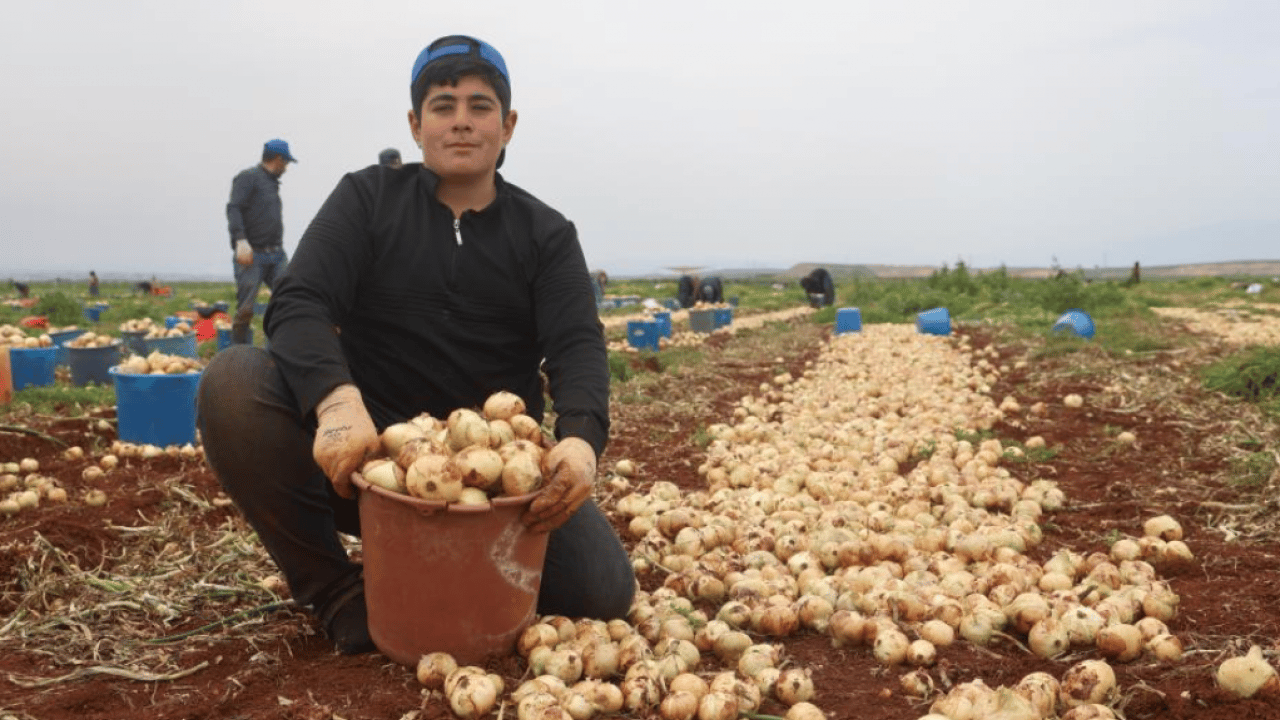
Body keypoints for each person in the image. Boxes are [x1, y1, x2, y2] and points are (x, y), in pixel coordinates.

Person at [196, 35, 635, 655]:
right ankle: (336, 593)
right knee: (233, 383)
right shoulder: (367, 199)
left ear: (508, 126)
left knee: (601, 591)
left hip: (496, 480)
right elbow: (298, 302)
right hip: (366, 459)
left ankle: (447, 569)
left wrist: (582, 437)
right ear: (415, 123)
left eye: (481, 106)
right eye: (443, 104)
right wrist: (335, 402)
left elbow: (578, 345)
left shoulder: (546, 234)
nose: (461, 120)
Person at [225, 138, 296, 345]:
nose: (287, 168)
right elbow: (234, 208)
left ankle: (276, 350)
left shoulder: (272, 183)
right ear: (278, 159)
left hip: (276, 255)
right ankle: (237, 354)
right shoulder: (248, 178)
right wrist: (240, 240)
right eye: (286, 163)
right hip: (252, 254)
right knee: (246, 308)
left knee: (289, 298)